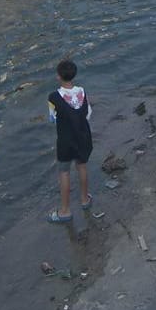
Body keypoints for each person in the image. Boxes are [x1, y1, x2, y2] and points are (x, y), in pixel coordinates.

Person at [45, 59, 93, 223]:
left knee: (64, 172)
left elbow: (52, 119)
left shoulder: (53, 97)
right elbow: (88, 114)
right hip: (83, 137)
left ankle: (65, 211)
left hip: (65, 141)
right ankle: (85, 199)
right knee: (82, 166)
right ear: (74, 75)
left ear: (58, 76)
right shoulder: (82, 92)